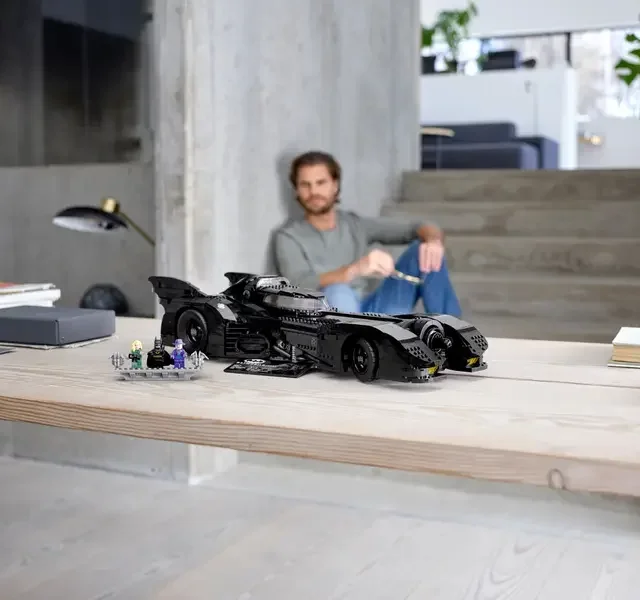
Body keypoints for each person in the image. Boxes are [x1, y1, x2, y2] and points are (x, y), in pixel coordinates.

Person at [273, 150, 462, 316]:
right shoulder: (288, 236)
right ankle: (350, 344)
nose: (313, 191)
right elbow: (299, 283)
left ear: (335, 185)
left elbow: (418, 227)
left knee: (424, 250)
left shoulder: (354, 224)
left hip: (373, 312)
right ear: (296, 190)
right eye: (305, 185)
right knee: (338, 290)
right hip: (331, 321)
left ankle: (452, 334)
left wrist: (433, 241)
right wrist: (355, 269)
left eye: (320, 183)